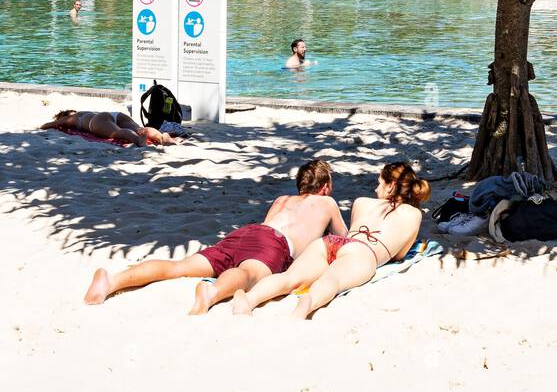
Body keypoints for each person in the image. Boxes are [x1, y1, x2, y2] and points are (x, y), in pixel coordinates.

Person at [84, 159, 347, 313]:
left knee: (181, 266)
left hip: (250, 233)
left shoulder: (282, 199)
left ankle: (112, 281)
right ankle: (211, 294)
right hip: (274, 242)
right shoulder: (327, 203)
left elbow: (265, 229)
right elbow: (344, 239)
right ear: (325, 187)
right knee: (248, 274)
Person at [233, 161, 429, 320]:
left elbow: (349, 236)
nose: (376, 188)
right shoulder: (414, 215)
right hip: (363, 252)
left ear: (391, 186)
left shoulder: (362, 202)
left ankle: (249, 299)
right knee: (331, 279)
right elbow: (400, 255)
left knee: (290, 278)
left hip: (333, 242)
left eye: (379, 183)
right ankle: (306, 305)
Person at [41, 109, 179, 147]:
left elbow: (49, 125)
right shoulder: (83, 112)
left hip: (96, 121)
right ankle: (162, 137)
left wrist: (42, 126)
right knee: (140, 128)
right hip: (114, 114)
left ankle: (137, 140)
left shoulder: (71, 118)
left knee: (117, 133)